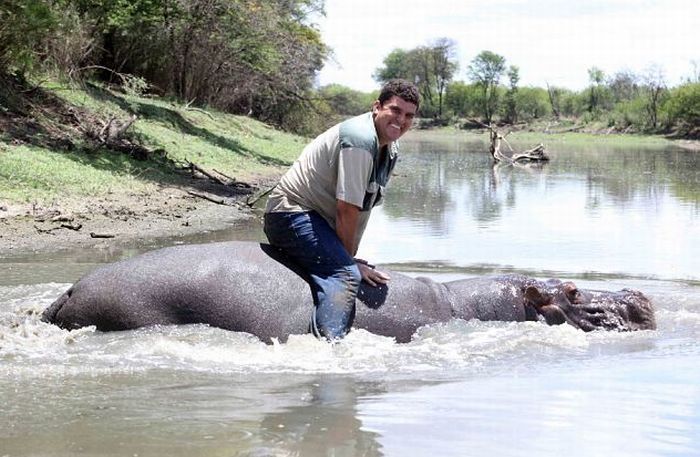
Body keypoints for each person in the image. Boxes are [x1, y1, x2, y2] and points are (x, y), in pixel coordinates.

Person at [263, 79, 420, 341]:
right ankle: (327, 351)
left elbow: (362, 208)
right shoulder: (360, 140)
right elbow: (347, 209)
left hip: (317, 219)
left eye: (408, 115)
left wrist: (351, 255)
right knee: (345, 275)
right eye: (394, 110)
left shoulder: (390, 148)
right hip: (291, 212)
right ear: (377, 107)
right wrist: (348, 263)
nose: (400, 120)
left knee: (349, 265)